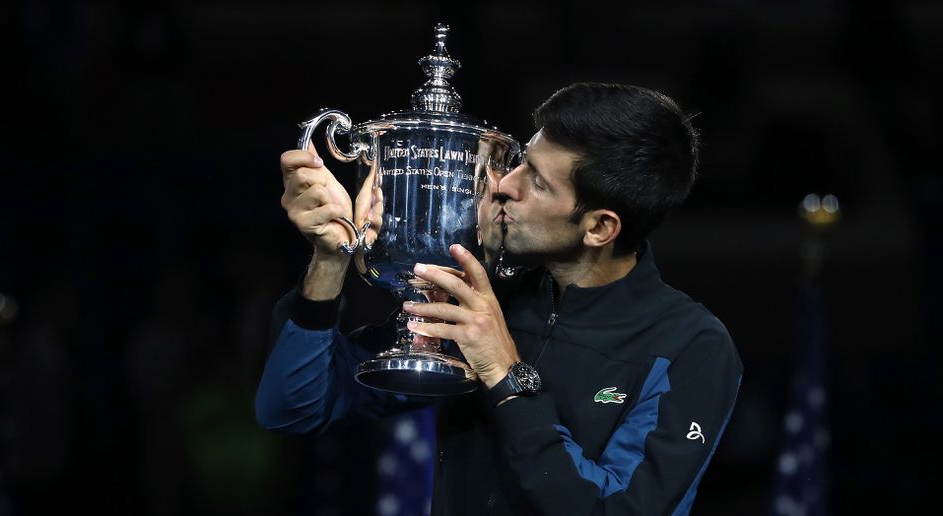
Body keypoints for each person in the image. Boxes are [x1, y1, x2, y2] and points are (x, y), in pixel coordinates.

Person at [256, 82, 743, 515]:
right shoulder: (491, 298)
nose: (503, 185)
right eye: (521, 162)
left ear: (599, 227)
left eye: (536, 180)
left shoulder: (692, 346)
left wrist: (506, 377)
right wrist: (331, 257)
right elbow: (295, 407)